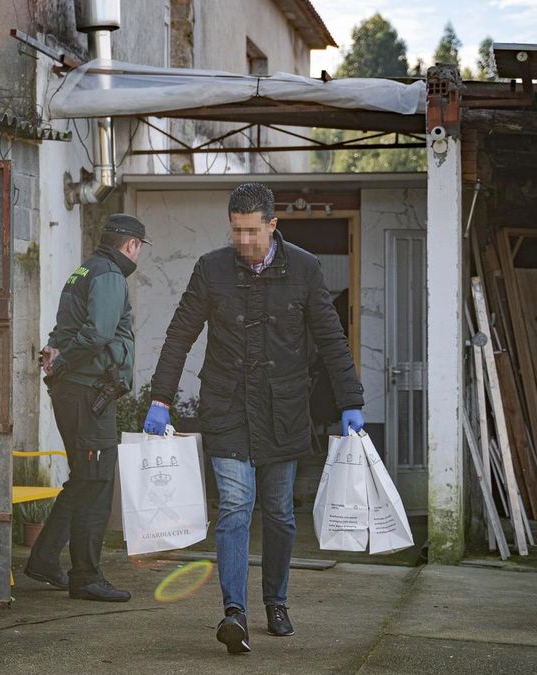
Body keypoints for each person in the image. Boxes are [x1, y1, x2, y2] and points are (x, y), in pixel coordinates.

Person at [142, 183, 365, 652]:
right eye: (236, 231)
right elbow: (180, 333)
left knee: (280, 514)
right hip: (227, 407)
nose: (243, 241)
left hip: (284, 411)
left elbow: (330, 338)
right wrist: (161, 397)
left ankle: (276, 602)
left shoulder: (305, 269)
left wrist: (351, 401)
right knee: (236, 507)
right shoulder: (212, 269)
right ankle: (234, 613)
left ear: (272, 225)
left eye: (251, 231)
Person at [23, 213, 150, 602]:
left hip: (75, 391)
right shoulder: (109, 275)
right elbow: (96, 333)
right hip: (87, 391)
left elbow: (68, 327)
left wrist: (56, 352)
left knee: (84, 477)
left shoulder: (83, 270)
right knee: (96, 481)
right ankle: (86, 577)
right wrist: (61, 361)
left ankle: (44, 558)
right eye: (139, 249)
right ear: (131, 246)